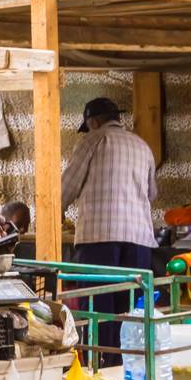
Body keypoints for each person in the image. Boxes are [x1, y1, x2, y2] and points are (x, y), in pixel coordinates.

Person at [61, 97, 159, 358]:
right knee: (131, 310)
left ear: (92, 122)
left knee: (98, 308)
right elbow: (152, 193)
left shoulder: (93, 140)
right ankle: (130, 365)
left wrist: (55, 212)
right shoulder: (142, 146)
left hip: (99, 238)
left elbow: (67, 186)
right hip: (139, 239)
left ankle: (101, 367)